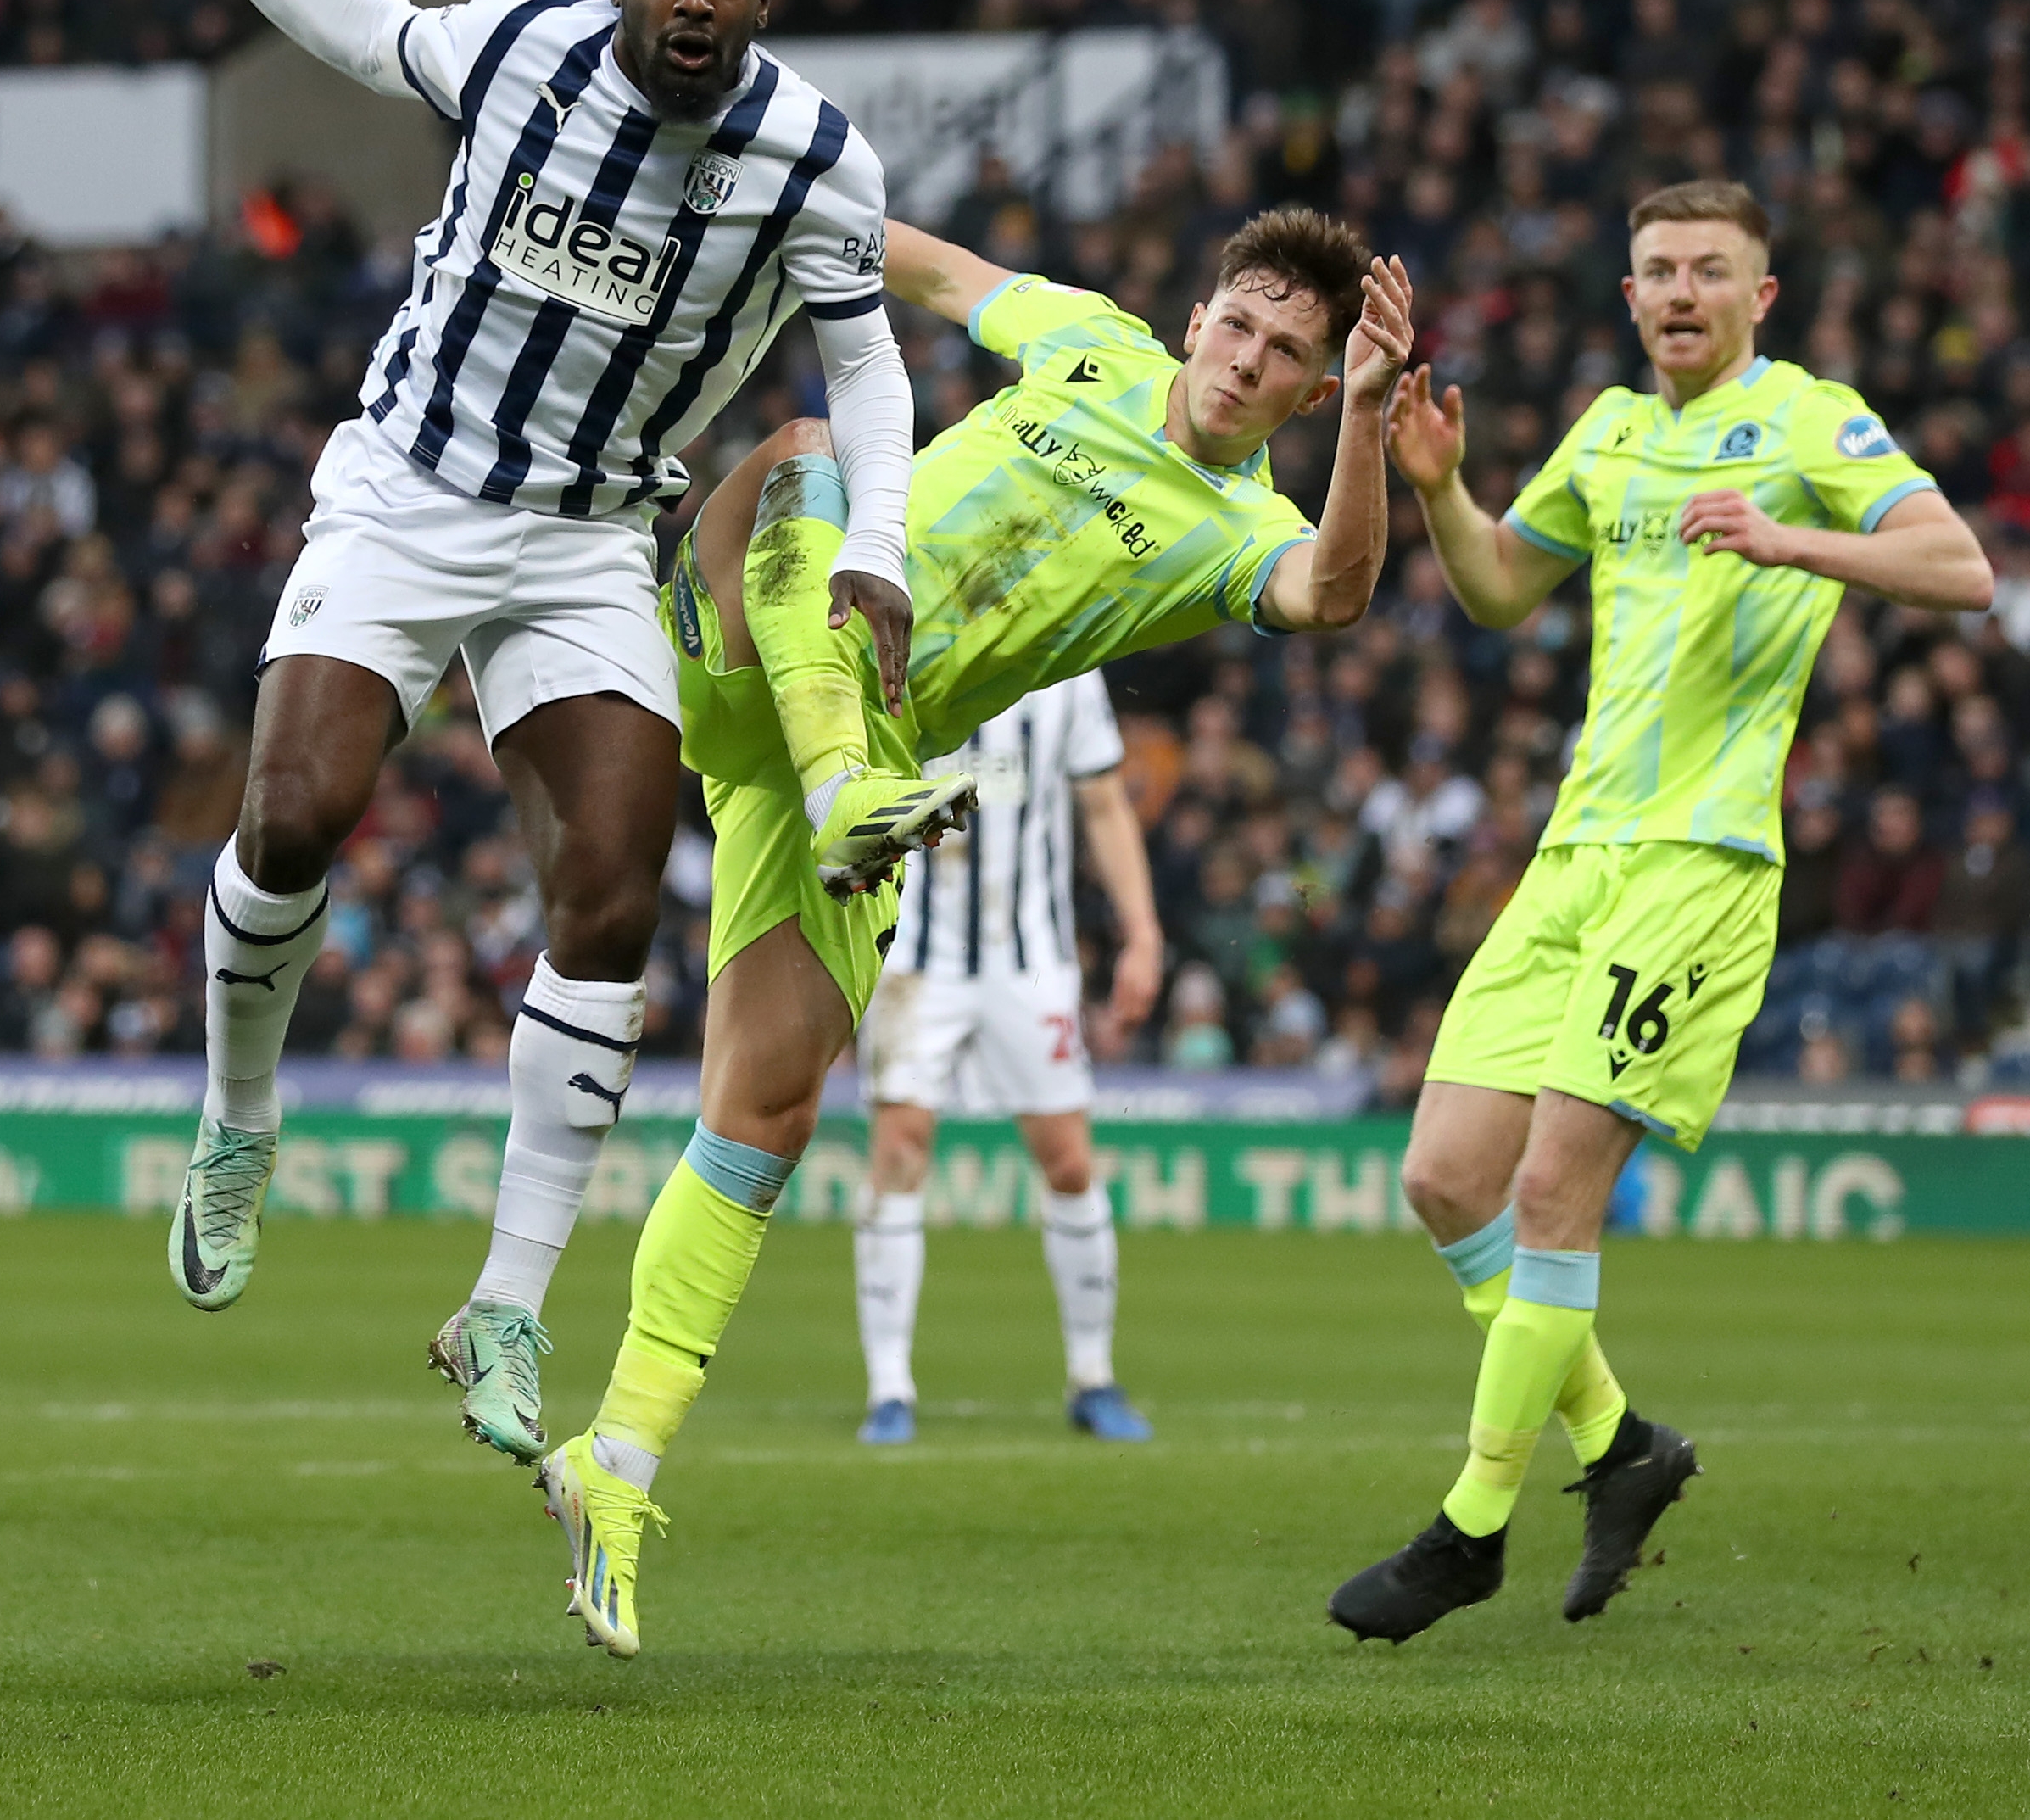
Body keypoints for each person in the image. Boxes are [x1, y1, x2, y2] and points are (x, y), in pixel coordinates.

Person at [89, 0, 919, 1464]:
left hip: (595, 537)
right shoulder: (519, 47)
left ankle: (507, 1305)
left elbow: (867, 370)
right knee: (291, 818)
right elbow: (351, 22)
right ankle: (236, 1125)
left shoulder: (819, 163)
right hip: (406, 491)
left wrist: (876, 548)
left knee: (610, 892)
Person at [537, 207, 1414, 1657]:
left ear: (1311, 393)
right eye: (1238, 325)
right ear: (1196, 317)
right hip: (755, 633)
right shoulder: (1080, 336)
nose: (1246, 363)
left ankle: (613, 1468)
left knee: (761, 1113)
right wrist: (761, 182)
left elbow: (1333, 590)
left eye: (1288, 359)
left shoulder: (1243, 530)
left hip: (880, 753)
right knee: (812, 448)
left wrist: (1375, 424)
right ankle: (834, 789)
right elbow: (921, 263)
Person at [1325, 179, 1994, 1643]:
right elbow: (1501, 587)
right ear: (1626, 297)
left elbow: (1961, 570)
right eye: (1655, 271)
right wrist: (1439, 487)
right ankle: (1624, 1451)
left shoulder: (1813, 422)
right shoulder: (1608, 433)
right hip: (1574, 856)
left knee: (1556, 1190)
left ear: (1762, 296)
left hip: (1699, 864)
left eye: (1708, 269)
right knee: (1444, 1179)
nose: (1680, 290)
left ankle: (1470, 1526)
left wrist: (1794, 541)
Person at [851, 670, 1165, 1447]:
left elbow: (1101, 801)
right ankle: (890, 1387)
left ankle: (1092, 1375)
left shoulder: (1070, 667)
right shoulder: (910, 643)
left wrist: (1143, 931)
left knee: (1067, 1161)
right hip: (914, 954)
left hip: (1031, 958)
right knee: (898, 1150)